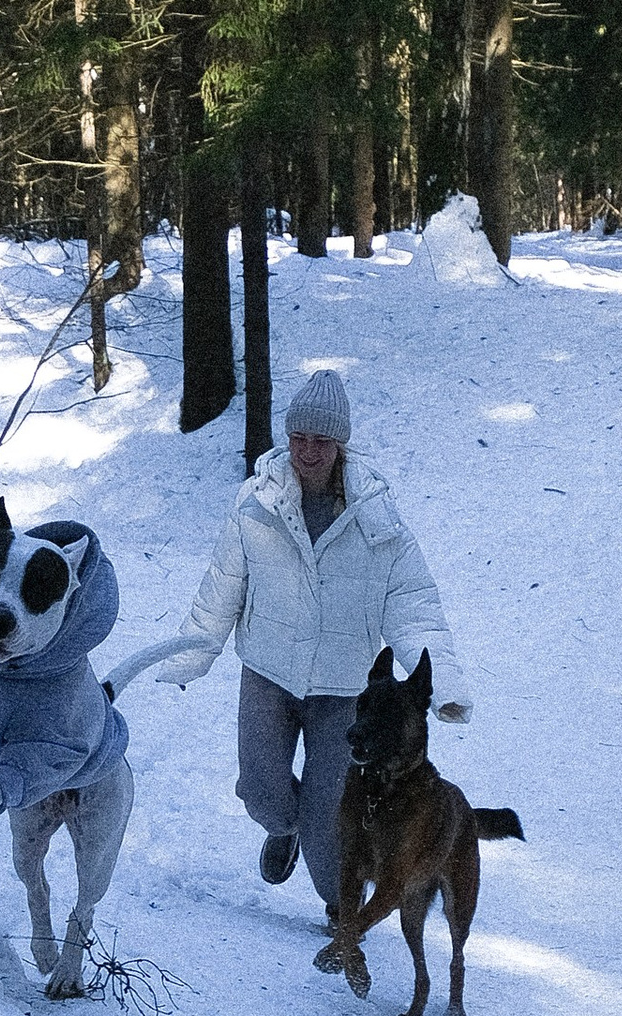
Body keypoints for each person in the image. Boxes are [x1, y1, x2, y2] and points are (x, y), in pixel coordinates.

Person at [121, 369, 467, 919]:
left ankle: (340, 909)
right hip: (267, 672)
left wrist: (443, 686)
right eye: (300, 438)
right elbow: (222, 587)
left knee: (329, 817)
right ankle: (282, 828)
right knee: (260, 791)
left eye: (322, 441)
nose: (308, 451)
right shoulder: (255, 503)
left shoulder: (377, 519)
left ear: (340, 444)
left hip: (343, 688)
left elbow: (415, 606)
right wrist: (194, 654)